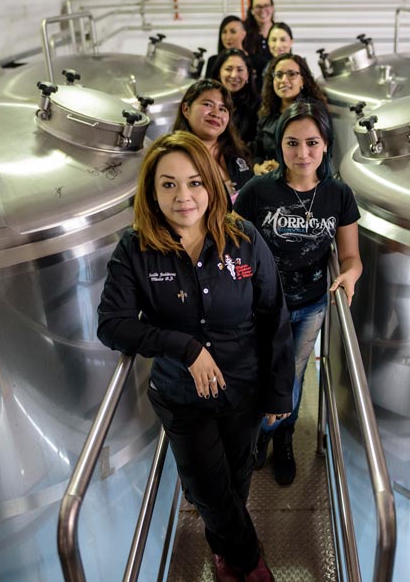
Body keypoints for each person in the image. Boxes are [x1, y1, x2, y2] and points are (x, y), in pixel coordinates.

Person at [97, 131, 294, 582]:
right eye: (168, 184)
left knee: (235, 481)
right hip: (181, 394)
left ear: (211, 184)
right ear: (151, 191)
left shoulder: (243, 239)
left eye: (194, 183)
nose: (183, 196)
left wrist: (279, 391)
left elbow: (274, 317)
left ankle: (225, 552)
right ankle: (248, 562)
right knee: (208, 488)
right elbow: (111, 324)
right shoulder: (136, 248)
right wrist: (184, 347)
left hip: (243, 386)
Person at [234, 102, 362, 486]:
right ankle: (259, 433)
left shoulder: (338, 195)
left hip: (310, 305)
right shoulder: (257, 192)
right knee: (258, 372)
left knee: (292, 376)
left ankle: (280, 439)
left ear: (325, 145)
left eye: (312, 142)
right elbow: (233, 247)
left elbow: (352, 256)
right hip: (260, 307)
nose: (302, 153)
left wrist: (351, 275)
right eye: (292, 143)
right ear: (279, 146)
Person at [173, 79, 254, 202]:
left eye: (223, 109)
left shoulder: (236, 153)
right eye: (208, 104)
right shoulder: (174, 157)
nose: (216, 114)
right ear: (186, 109)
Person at [251, 53, 328, 175]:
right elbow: (258, 150)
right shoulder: (267, 112)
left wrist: (283, 168)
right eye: (279, 75)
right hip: (268, 178)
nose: (284, 80)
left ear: (303, 80)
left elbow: (322, 157)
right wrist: (257, 167)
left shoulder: (314, 113)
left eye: (291, 74)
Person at [213, 48, 261, 148]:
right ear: (219, 73)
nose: (234, 75)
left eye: (240, 70)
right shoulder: (207, 103)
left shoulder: (259, 106)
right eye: (228, 69)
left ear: (247, 74)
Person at [242, 0, 275, 92]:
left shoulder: (281, 32)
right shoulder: (244, 34)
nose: (263, 10)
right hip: (251, 92)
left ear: (272, 8)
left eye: (266, 5)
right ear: (251, 10)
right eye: (258, 7)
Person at [205, 15, 247, 79]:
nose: (228, 37)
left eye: (233, 32)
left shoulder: (257, 61)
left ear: (243, 34)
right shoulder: (213, 61)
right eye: (224, 32)